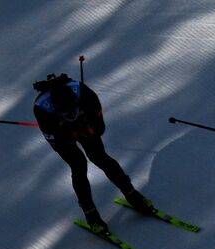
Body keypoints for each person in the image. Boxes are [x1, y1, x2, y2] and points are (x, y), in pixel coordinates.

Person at [33, 73, 153, 234]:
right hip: (60, 132)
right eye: (66, 113)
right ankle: (91, 215)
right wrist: (70, 134)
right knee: (78, 164)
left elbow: (99, 127)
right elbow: (56, 140)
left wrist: (89, 130)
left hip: (83, 123)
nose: (71, 115)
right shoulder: (42, 108)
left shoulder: (84, 94)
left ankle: (132, 194)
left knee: (99, 157)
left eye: (73, 111)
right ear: (57, 109)